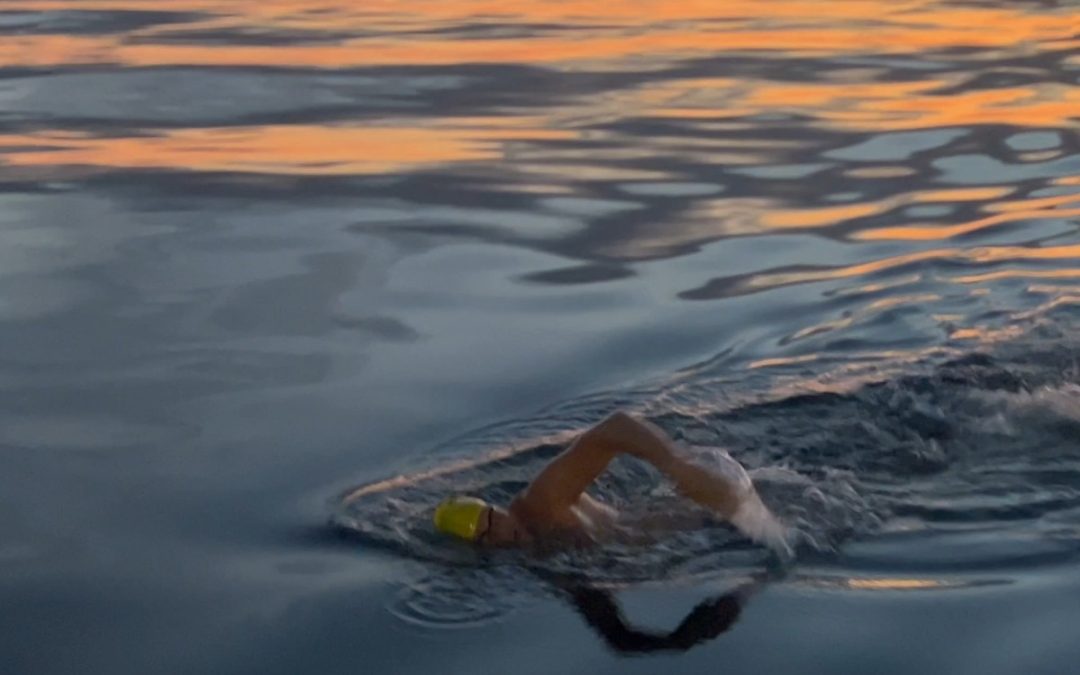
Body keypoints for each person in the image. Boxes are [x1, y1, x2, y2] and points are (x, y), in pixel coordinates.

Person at [433, 411, 789, 552]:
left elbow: (615, 427)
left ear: (498, 506)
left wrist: (674, 466)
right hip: (703, 532)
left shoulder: (544, 499)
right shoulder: (527, 552)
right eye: (485, 536)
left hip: (712, 508)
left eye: (493, 520)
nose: (499, 533)